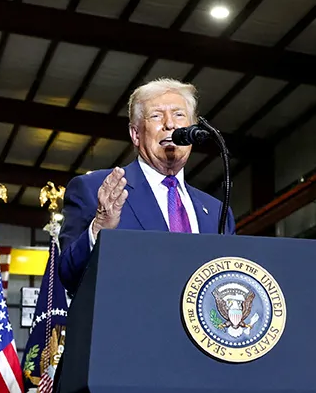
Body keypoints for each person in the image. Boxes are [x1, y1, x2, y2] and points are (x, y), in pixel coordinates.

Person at [57, 78, 235, 293]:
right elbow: (68, 274)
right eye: (157, 115)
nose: (170, 124)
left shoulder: (217, 211)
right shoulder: (95, 189)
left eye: (179, 115)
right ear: (136, 134)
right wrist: (99, 228)